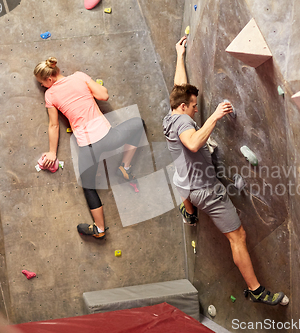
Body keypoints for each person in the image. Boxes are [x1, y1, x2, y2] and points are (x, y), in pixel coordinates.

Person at [163, 37, 286, 305]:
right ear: (184, 108)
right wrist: (215, 116)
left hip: (186, 185)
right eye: (194, 107)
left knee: (181, 172)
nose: (196, 110)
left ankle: (188, 211)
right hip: (206, 191)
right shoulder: (184, 121)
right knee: (237, 236)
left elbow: (178, 87)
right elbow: (194, 143)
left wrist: (179, 54)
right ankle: (255, 290)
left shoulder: (171, 115)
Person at [34, 57, 145, 239]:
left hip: (88, 147)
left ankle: (99, 229)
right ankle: (124, 167)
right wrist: (92, 85)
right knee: (138, 123)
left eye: (42, 84)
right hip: (109, 137)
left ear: (49, 80)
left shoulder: (50, 95)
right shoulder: (79, 76)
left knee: (88, 186)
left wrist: (52, 152)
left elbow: (54, 126)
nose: (43, 87)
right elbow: (104, 95)